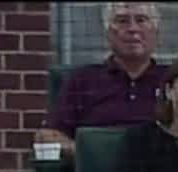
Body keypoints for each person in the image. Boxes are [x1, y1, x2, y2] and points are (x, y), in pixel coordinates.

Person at [37, 2, 167, 160]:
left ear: (156, 32)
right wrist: (91, 155)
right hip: (96, 170)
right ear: (108, 33)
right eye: (122, 21)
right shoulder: (82, 80)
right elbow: (47, 136)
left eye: (141, 20)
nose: (133, 29)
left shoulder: (174, 80)